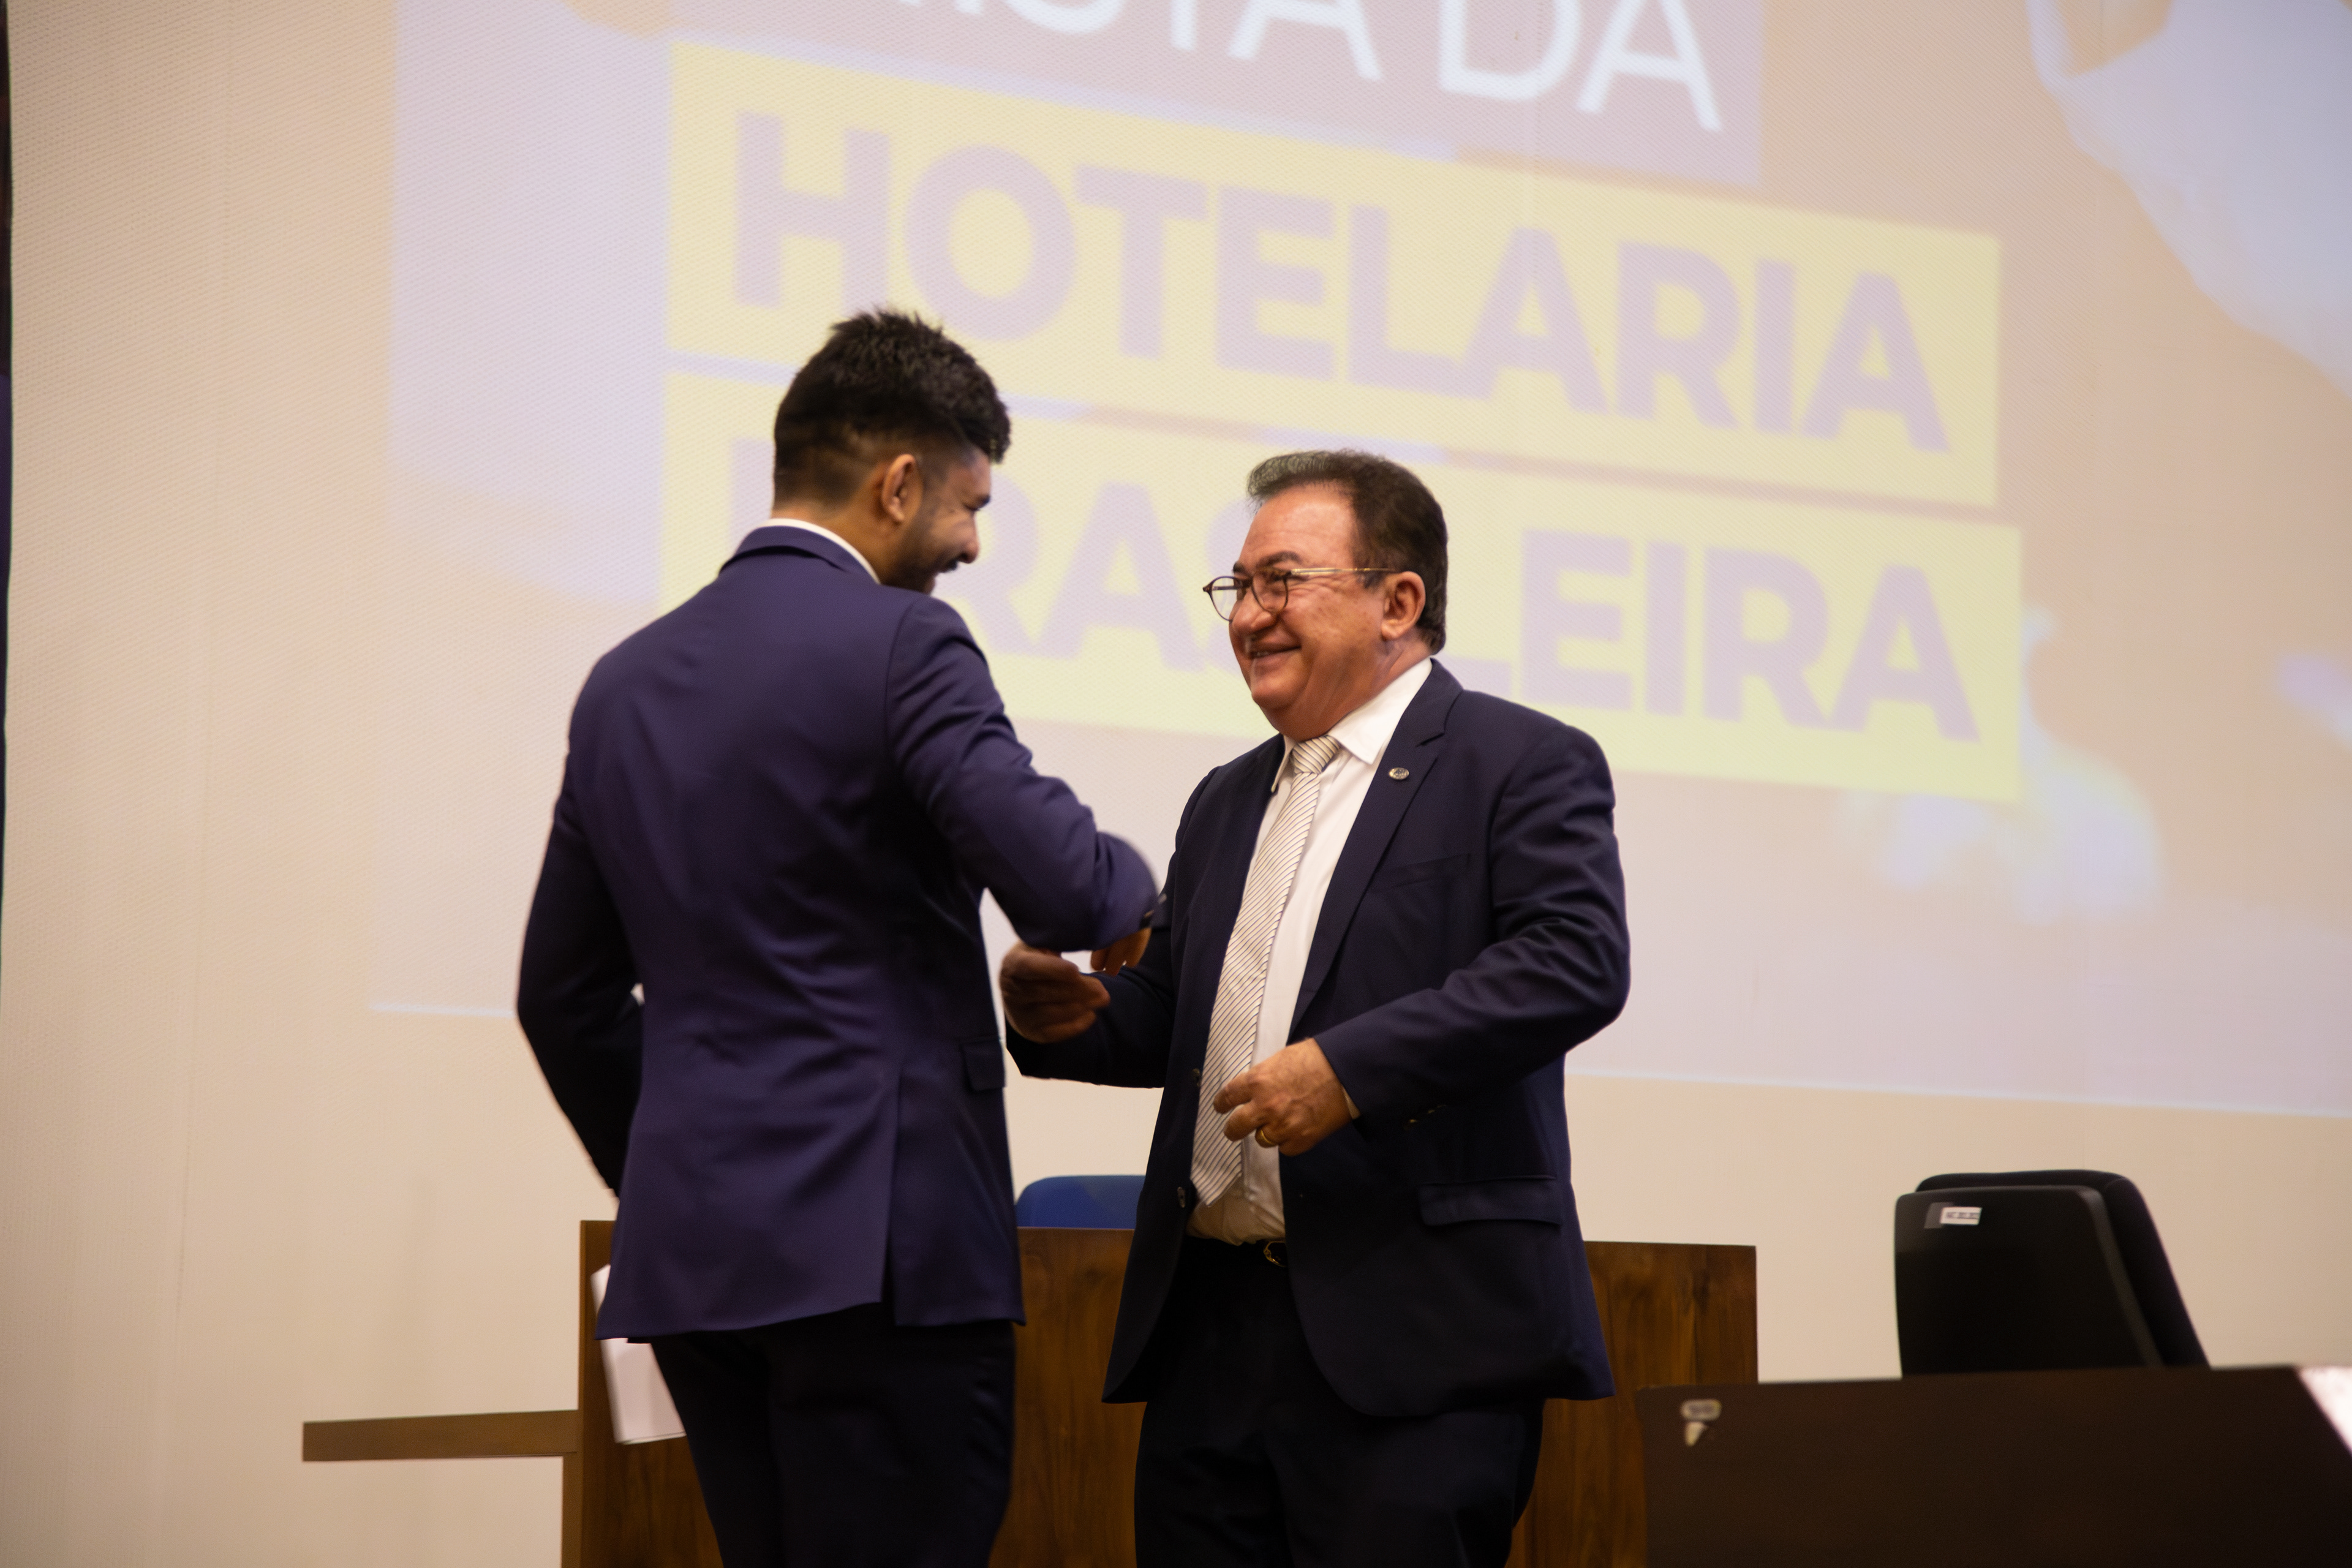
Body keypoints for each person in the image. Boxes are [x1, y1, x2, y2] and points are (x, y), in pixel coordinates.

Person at [516, 309, 1156, 1568]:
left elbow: (562, 999)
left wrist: (682, 1171)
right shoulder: (906, 643)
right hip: (886, 1265)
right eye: (969, 504)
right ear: (898, 483)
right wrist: (1135, 886)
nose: (972, 544)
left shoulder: (622, 681)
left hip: (699, 1269)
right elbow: (1066, 888)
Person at [1000, 450, 1630, 1568]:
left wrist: (1348, 1071)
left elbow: (1573, 962)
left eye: (1283, 581)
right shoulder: (1226, 796)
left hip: (1414, 1342)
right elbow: (1178, 1011)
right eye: (1238, 588)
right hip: (1210, 1340)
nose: (1250, 616)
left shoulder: (1519, 761)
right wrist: (1079, 1016)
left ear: (1399, 601)